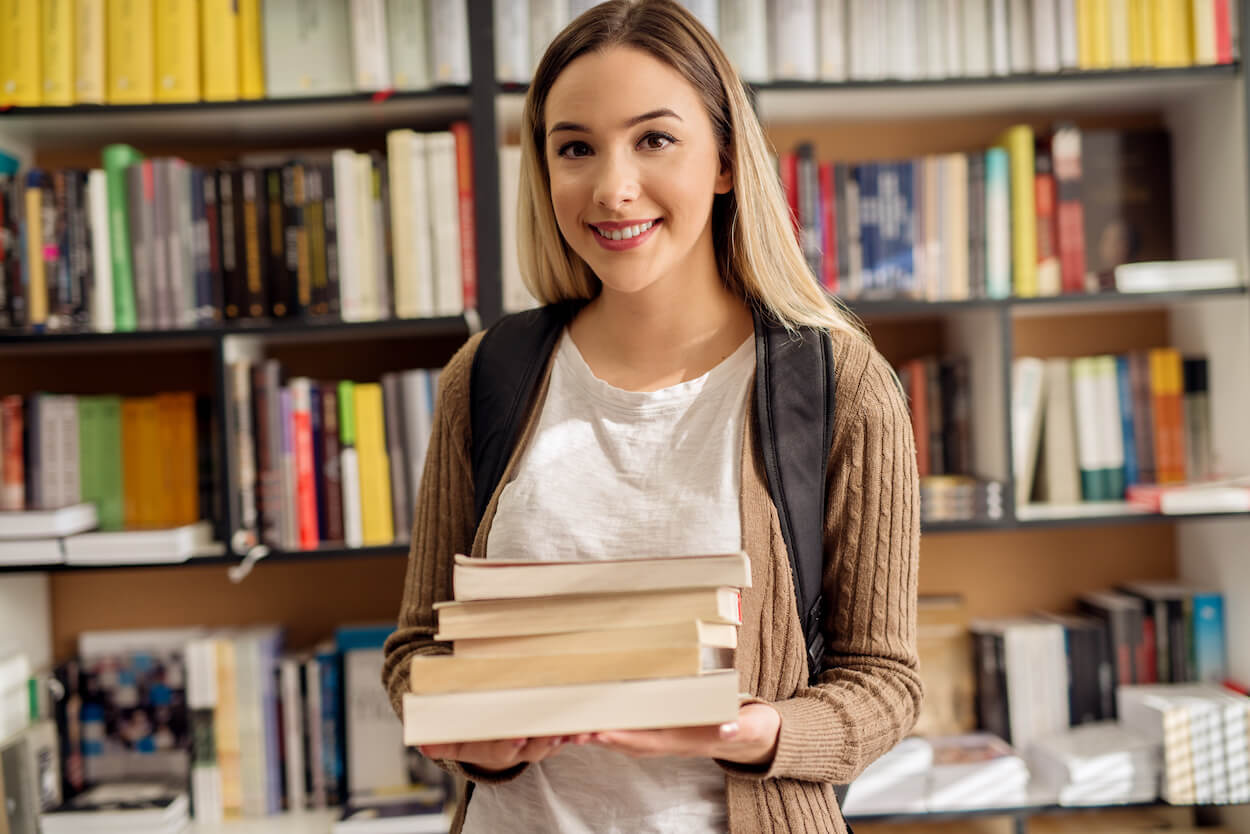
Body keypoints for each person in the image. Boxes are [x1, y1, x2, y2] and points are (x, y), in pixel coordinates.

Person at [381, 1, 922, 831]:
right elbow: (416, 651)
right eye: (575, 148)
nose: (612, 187)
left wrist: (752, 731)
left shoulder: (838, 383)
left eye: (654, 139)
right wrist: (466, 736)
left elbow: (884, 683)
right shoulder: (487, 374)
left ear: (727, 161)